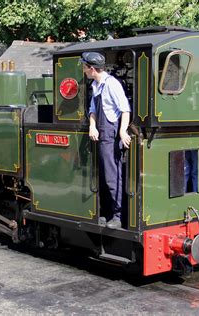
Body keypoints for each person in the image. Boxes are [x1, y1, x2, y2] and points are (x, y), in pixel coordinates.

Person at [81, 52, 131, 229]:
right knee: (102, 174)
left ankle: (118, 216)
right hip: (100, 132)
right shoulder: (96, 84)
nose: (84, 70)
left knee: (112, 175)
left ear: (92, 69)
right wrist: (92, 126)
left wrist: (123, 131)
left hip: (110, 133)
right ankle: (106, 212)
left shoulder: (112, 85)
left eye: (85, 67)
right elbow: (93, 109)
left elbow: (125, 109)